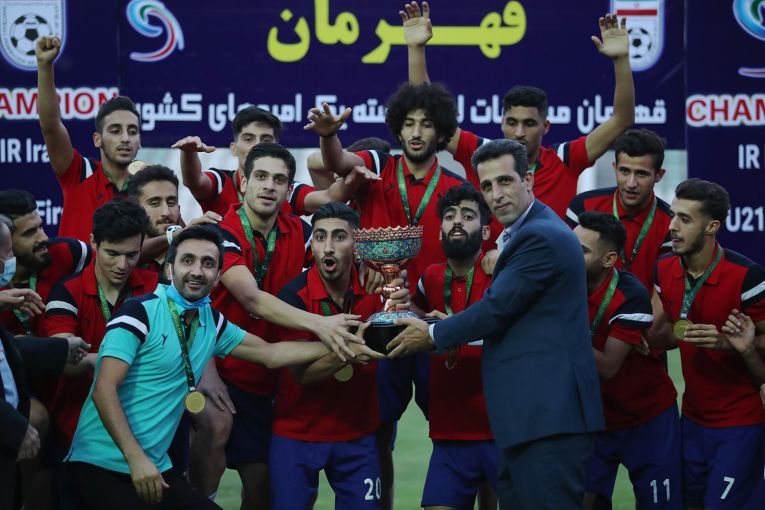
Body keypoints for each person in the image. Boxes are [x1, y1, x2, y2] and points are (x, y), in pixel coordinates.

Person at [64, 225, 350, 509]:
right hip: (99, 464)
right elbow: (103, 390)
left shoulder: (210, 320)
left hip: (155, 467)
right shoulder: (139, 313)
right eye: (188, 260)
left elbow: (270, 354)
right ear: (170, 270)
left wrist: (346, 345)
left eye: (208, 263)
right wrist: (136, 459)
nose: (197, 271)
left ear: (217, 278)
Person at [387, 139, 604, 509]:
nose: (496, 194)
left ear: (528, 180)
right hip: (527, 417)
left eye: (505, 181)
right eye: (487, 186)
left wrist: (433, 334)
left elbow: (496, 309)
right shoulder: (524, 232)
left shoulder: (539, 235)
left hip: (548, 417)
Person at [306, 82, 476, 508]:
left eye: (427, 124)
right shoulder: (377, 166)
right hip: (379, 321)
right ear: (397, 129)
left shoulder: (455, 188)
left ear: (442, 131)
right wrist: (329, 135)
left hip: (436, 323)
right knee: (378, 431)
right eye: (408, 123)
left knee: (466, 435)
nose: (416, 132)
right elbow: (338, 161)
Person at [198, 143, 365, 507]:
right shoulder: (220, 234)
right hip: (224, 373)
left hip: (272, 378)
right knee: (212, 438)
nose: (268, 186)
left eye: (278, 180)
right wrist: (322, 325)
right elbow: (251, 299)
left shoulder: (300, 232)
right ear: (243, 182)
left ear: (289, 190)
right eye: (260, 177)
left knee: (261, 491)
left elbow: (334, 261)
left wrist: (378, 276)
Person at [401, 2, 635, 220]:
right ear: (502, 123)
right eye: (512, 122)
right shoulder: (480, 154)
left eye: (529, 124)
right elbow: (429, 111)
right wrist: (415, 48)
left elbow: (622, 120)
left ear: (546, 126)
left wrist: (621, 60)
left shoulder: (565, 160)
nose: (519, 132)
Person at [271, 202, 405, 509]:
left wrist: (403, 304)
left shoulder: (376, 289)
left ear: (357, 246)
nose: (328, 247)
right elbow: (301, 375)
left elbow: (397, 340)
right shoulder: (293, 296)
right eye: (320, 237)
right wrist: (349, 352)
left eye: (339, 237)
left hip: (357, 434)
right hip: (297, 433)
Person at [648, 179, 765, 509]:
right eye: (673, 215)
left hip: (740, 423)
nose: (672, 226)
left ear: (712, 226)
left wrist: (730, 344)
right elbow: (665, 333)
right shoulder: (664, 267)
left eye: (685, 219)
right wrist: (643, 336)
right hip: (692, 419)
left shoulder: (748, 277)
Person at [573, 212, 681, 509]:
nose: (569, 254)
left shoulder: (630, 295)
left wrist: (562, 331)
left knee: (659, 504)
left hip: (647, 418)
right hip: (594, 418)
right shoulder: (559, 283)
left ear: (609, 260)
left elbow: (608, 367)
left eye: (581, 251)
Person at [43, 200, 158, 452]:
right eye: (112, 254)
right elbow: (63, 359)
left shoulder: (158, 288)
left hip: (147, 417)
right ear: (93, 242)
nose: (122, 265)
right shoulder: (66, 291)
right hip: (79, 420)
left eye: (132, 255)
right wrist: (119, 361)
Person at [410, 185, 498, 510]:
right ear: (440, 231)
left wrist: (448, 330)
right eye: (449, 216)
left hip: (502, 430)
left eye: (468, 216)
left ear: (486, 231)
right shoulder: (430, 278)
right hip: (449, 432)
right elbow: (417, 317)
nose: (457, 221)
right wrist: (398, 303)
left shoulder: (502, 276)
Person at [0, 215, 90, 510]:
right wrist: (16, 427)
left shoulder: (65, 253)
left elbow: (10, 347)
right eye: (7, 251)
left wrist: (59, 349)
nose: (43, 238)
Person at [172, 106, 373, 218]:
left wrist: (353, 179)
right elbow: (194, 180)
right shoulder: (220, 181)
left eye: (266, 140)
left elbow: (330, 197)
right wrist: (189, 153)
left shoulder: (287, 190)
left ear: (277, 146)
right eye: (248, 139)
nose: (257, 145)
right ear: (234, 148)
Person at [35, 36, 142, 242]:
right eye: (115, 130)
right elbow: (50, 126)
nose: (125, 138)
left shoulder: (147, 188)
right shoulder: (78, 172)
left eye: (132, 131)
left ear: (139, 139)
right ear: (97, 139)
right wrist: (44, 66)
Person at [567, 129, 672, 292]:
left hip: (648, 308)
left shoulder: (671, 223)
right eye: (624, 171)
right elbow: (566, 267)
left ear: (659, 175)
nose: (631, 183)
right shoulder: (582, 207)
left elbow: (666, 288)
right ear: (614, 167)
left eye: (641, 174)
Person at [126, 165, 220, 281]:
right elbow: (131, 253)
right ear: (135, 209)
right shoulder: (122, 256)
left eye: (171, 203)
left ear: (179, 209)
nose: (166, 212)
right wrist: (177, 235)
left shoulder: (201, 254)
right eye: (154, 204)